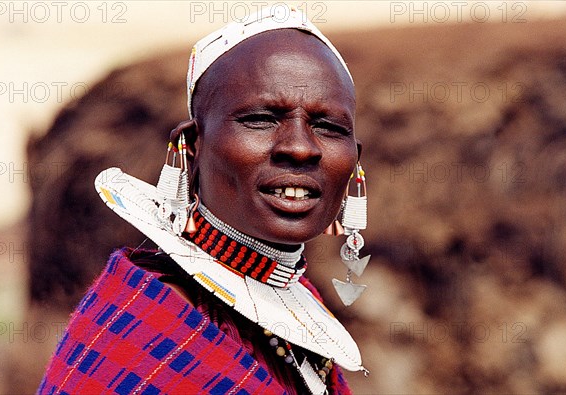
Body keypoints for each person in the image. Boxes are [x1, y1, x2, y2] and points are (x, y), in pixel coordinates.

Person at [38, 5, 369, 395]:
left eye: (328, 127)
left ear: (355, 160)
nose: (300, 148)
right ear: (192, 147)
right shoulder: (140, 331)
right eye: (261, 119)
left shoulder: (301, 308)